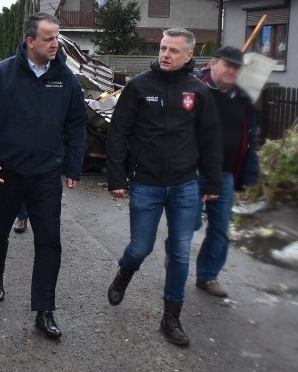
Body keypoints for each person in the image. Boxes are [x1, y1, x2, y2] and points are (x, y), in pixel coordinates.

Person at [0, 12, 87, 339]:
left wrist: (73, 166)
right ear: (30, 41)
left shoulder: (65, 78)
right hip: (5, 172)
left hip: (46, 174)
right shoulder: (1, 74)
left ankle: (44, 310)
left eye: (57, 37)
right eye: (48, 38)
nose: (55, 43)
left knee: (49, 240)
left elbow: (77, 122)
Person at [105, 27, 222, 347]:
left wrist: (211, 181)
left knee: (180, 252)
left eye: (173, 50)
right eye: (162, 48)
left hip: (185, 184)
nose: (165, 54)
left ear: (188, 56)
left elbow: (211, 139)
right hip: (146, 183)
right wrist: (116, 177)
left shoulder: (198, 91)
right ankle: (124, 274)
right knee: (140, 247)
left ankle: (171, 318)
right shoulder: (139, 87)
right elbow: (118, 133)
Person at [194, 46, 259, 298]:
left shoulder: (242, 100)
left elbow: (250, 139)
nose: (231, 70)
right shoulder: (195, 90)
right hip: (193, 172)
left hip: (224, 175)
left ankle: (208, 275)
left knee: (220, 228)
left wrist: (249, 175)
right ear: (212, 64)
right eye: (227, 64)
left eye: (236, 67)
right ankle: (175, 257)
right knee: (187, 223)